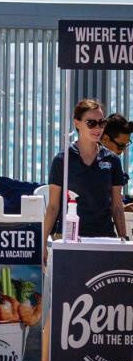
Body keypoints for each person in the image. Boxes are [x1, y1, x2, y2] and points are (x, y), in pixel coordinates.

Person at [44, 99, 128, 259]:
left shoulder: (112, 161)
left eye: (101, 123)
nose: (98, 128)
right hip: (68, 238)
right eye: (91, 123)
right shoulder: (63, 160)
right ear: (77, 123)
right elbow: (53, 207)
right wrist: (42, 244)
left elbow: (117, 207)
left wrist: (123, 240)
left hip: (104, 238)